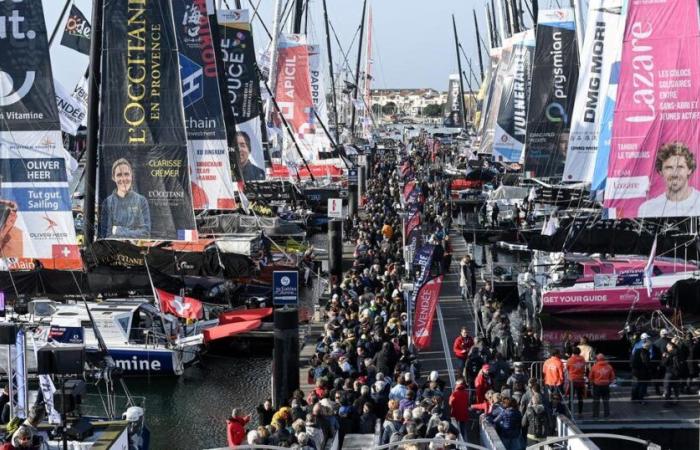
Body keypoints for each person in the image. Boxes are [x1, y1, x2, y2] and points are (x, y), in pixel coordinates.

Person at [638, 142, 700, 217]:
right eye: (669, 168)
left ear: (689, 169)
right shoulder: (647, 210)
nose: (675, 174)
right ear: (660, 171)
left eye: (680, 167)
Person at [99, 158, 151, 239]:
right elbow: (106, 236)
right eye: (119, 175)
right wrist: (133, 232)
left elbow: (145, 233)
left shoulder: (141, 201)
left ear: (131, 176)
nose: (123, 179)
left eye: (126, 174)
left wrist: (118, 230)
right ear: (113, 178)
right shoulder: (107, 203)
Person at [589, 354, 615, 418]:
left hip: (597, 386)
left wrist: (592, 383)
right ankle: (607, 415)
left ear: (597, 359)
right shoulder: (609, 366)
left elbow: (590, 377)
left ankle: (595, 415)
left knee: (596, 401)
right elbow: (612, 377)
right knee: (606, 401)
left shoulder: (594, 367)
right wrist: (609, 382)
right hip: (606, 386)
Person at [631, 338, 653, 403]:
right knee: (642, 386)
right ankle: (640, 399)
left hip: (635, 371)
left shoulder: (637, 351)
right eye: (650, 346)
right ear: (648, 346)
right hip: (642, 372)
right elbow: (646, 363)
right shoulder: (645, 352)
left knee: (636, 385)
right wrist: (650, 369)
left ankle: (634, 397)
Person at [566, 347, 587, 414]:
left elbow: (567, 368)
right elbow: (584, 367)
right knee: (580, 397)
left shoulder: (570, 360)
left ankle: (570, 411)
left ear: (573, 352)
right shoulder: (582, 359)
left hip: (572, 379)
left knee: (571, 397)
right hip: (580, 379)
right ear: (579, 352)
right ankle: (580, 412)